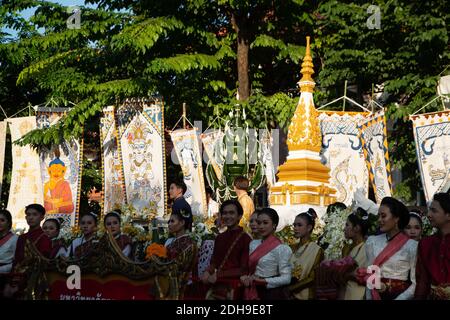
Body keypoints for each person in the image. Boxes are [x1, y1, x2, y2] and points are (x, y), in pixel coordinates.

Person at [362, 197, 417, 300]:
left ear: (396, 218)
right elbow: (370, 277)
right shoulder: (372, 242)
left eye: (383, 216)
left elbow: (415, 283)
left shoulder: (412, 246)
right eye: (378, 216)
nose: (379, 220)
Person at [201, 200, 252, 300]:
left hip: (234, 288)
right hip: (217, 285)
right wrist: (207, 271)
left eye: (232, 213)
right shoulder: (220, 238)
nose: (228, 216)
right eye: (225, 213)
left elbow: (244, 269)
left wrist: (219, 274)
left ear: (239, 216)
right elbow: (214, 262)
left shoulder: (246, 239)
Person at [241, 208, 292, 300]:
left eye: (265, 223)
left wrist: (263, 281)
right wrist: (245, 277)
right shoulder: (253, 244)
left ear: (274, 225)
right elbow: (248, 269)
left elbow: (286, 278)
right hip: (252, 289)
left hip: (271, 292)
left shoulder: (282, 249)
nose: (261, 226)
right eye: (259, 223)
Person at [415, 193, 450, 300]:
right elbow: (422, 281)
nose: (429, 214)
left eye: (434, 211)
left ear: (448, 215)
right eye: (429, 210)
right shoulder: (425, 244)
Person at [288, 208, 323, 300]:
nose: (295, 228)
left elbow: (312, 277)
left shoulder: (317, 250)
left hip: (306, 295)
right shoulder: (291, 247)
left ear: (309, 228)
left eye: (299, 225)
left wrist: (291, 288)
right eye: (294, 225)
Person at [165, 207, 197, 298]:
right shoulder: (171, 242)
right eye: (169, 222)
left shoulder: (189, 244)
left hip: (181, 286)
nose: (169, 224)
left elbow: (180, 267)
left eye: (172, 221)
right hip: (168, 281)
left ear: (182, 223)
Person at [339, 207, 369, 300]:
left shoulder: (368, 248)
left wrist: (350, 275)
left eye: (347, 225)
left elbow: (371, 278)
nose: (344, 229)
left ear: (357, 228)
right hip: (343, 293)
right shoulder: (346, 248)